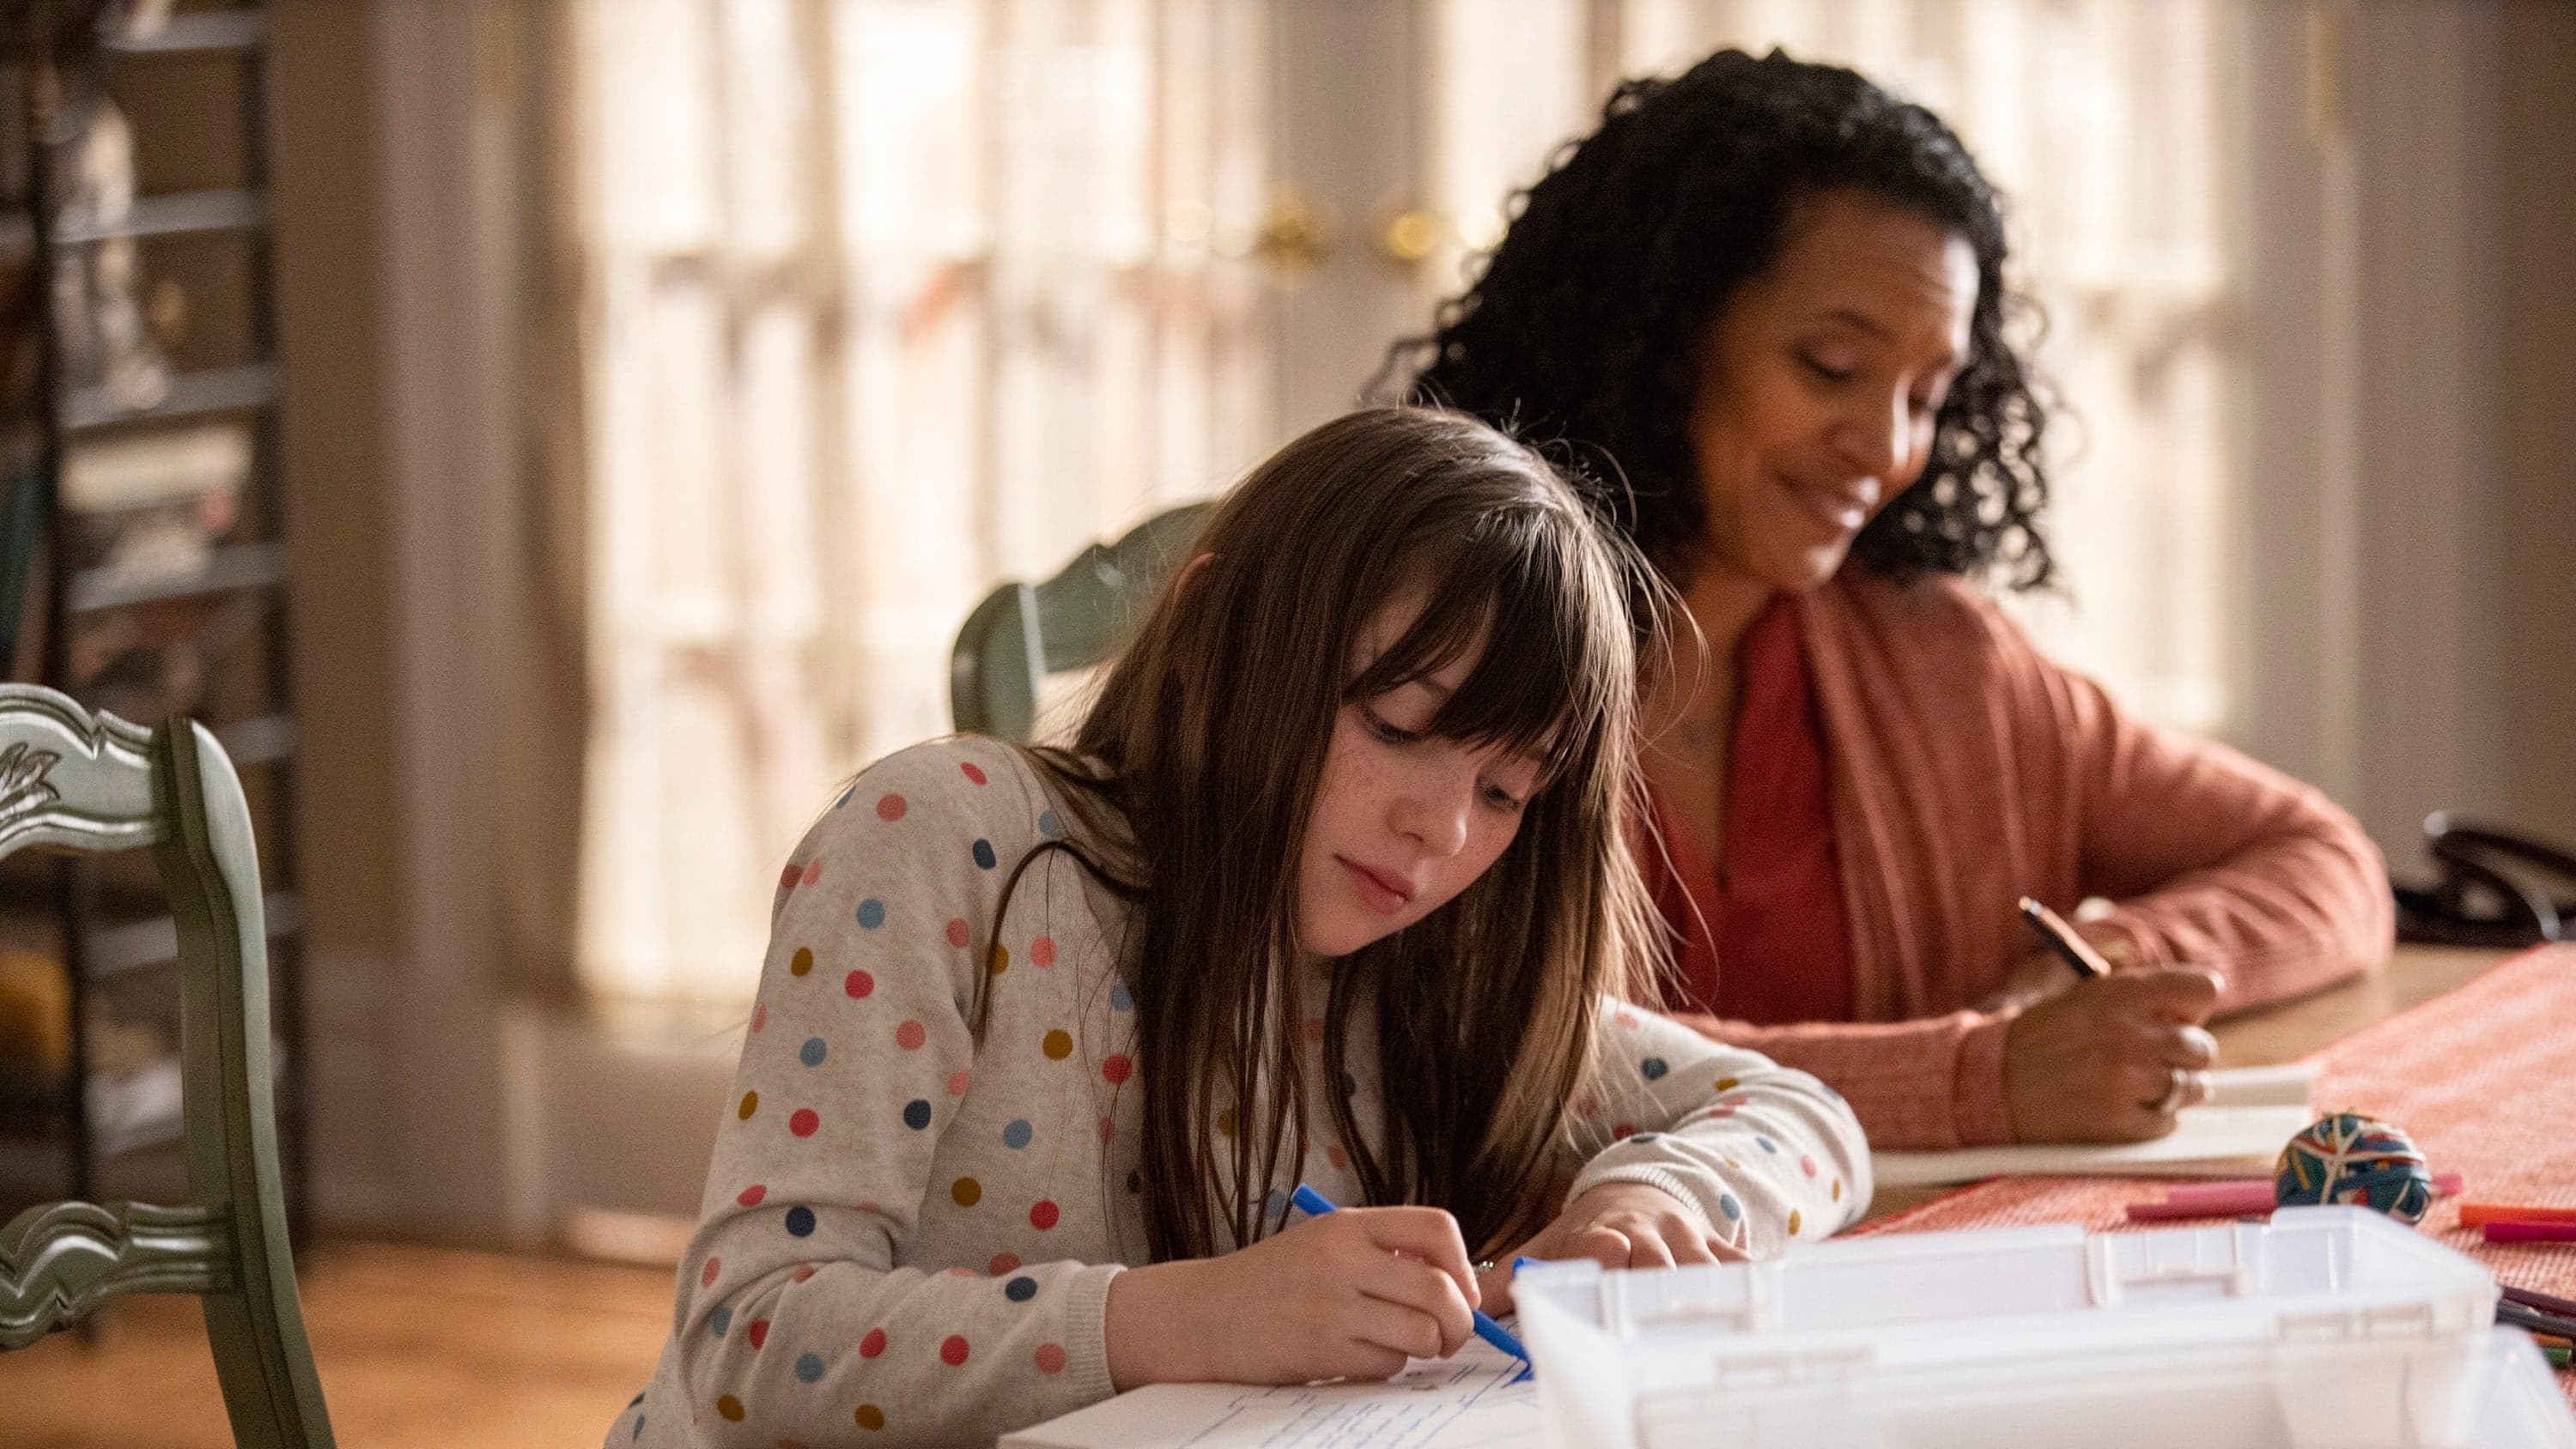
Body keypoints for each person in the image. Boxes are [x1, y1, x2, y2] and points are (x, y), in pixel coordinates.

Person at [607, 407, 1868, 1448]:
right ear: (1216, 639)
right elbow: (749, 1343)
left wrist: (1645, 1195)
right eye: (1396, 726)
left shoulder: (1426, 957)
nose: (1441, 833)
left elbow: (1800, 1114)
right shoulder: (949, 841)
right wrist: (1190, 1320)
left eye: (1505, 790)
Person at [1390, 49, 2391, 1151]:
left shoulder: (1943, 658)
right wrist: (1976, 1079)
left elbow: (2326, 860)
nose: (1887, 448)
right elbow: (1489, 1056)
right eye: (1831, 365)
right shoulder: (1443, 645)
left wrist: (2104, 978)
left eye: (1928, 394)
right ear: (1661, 333)